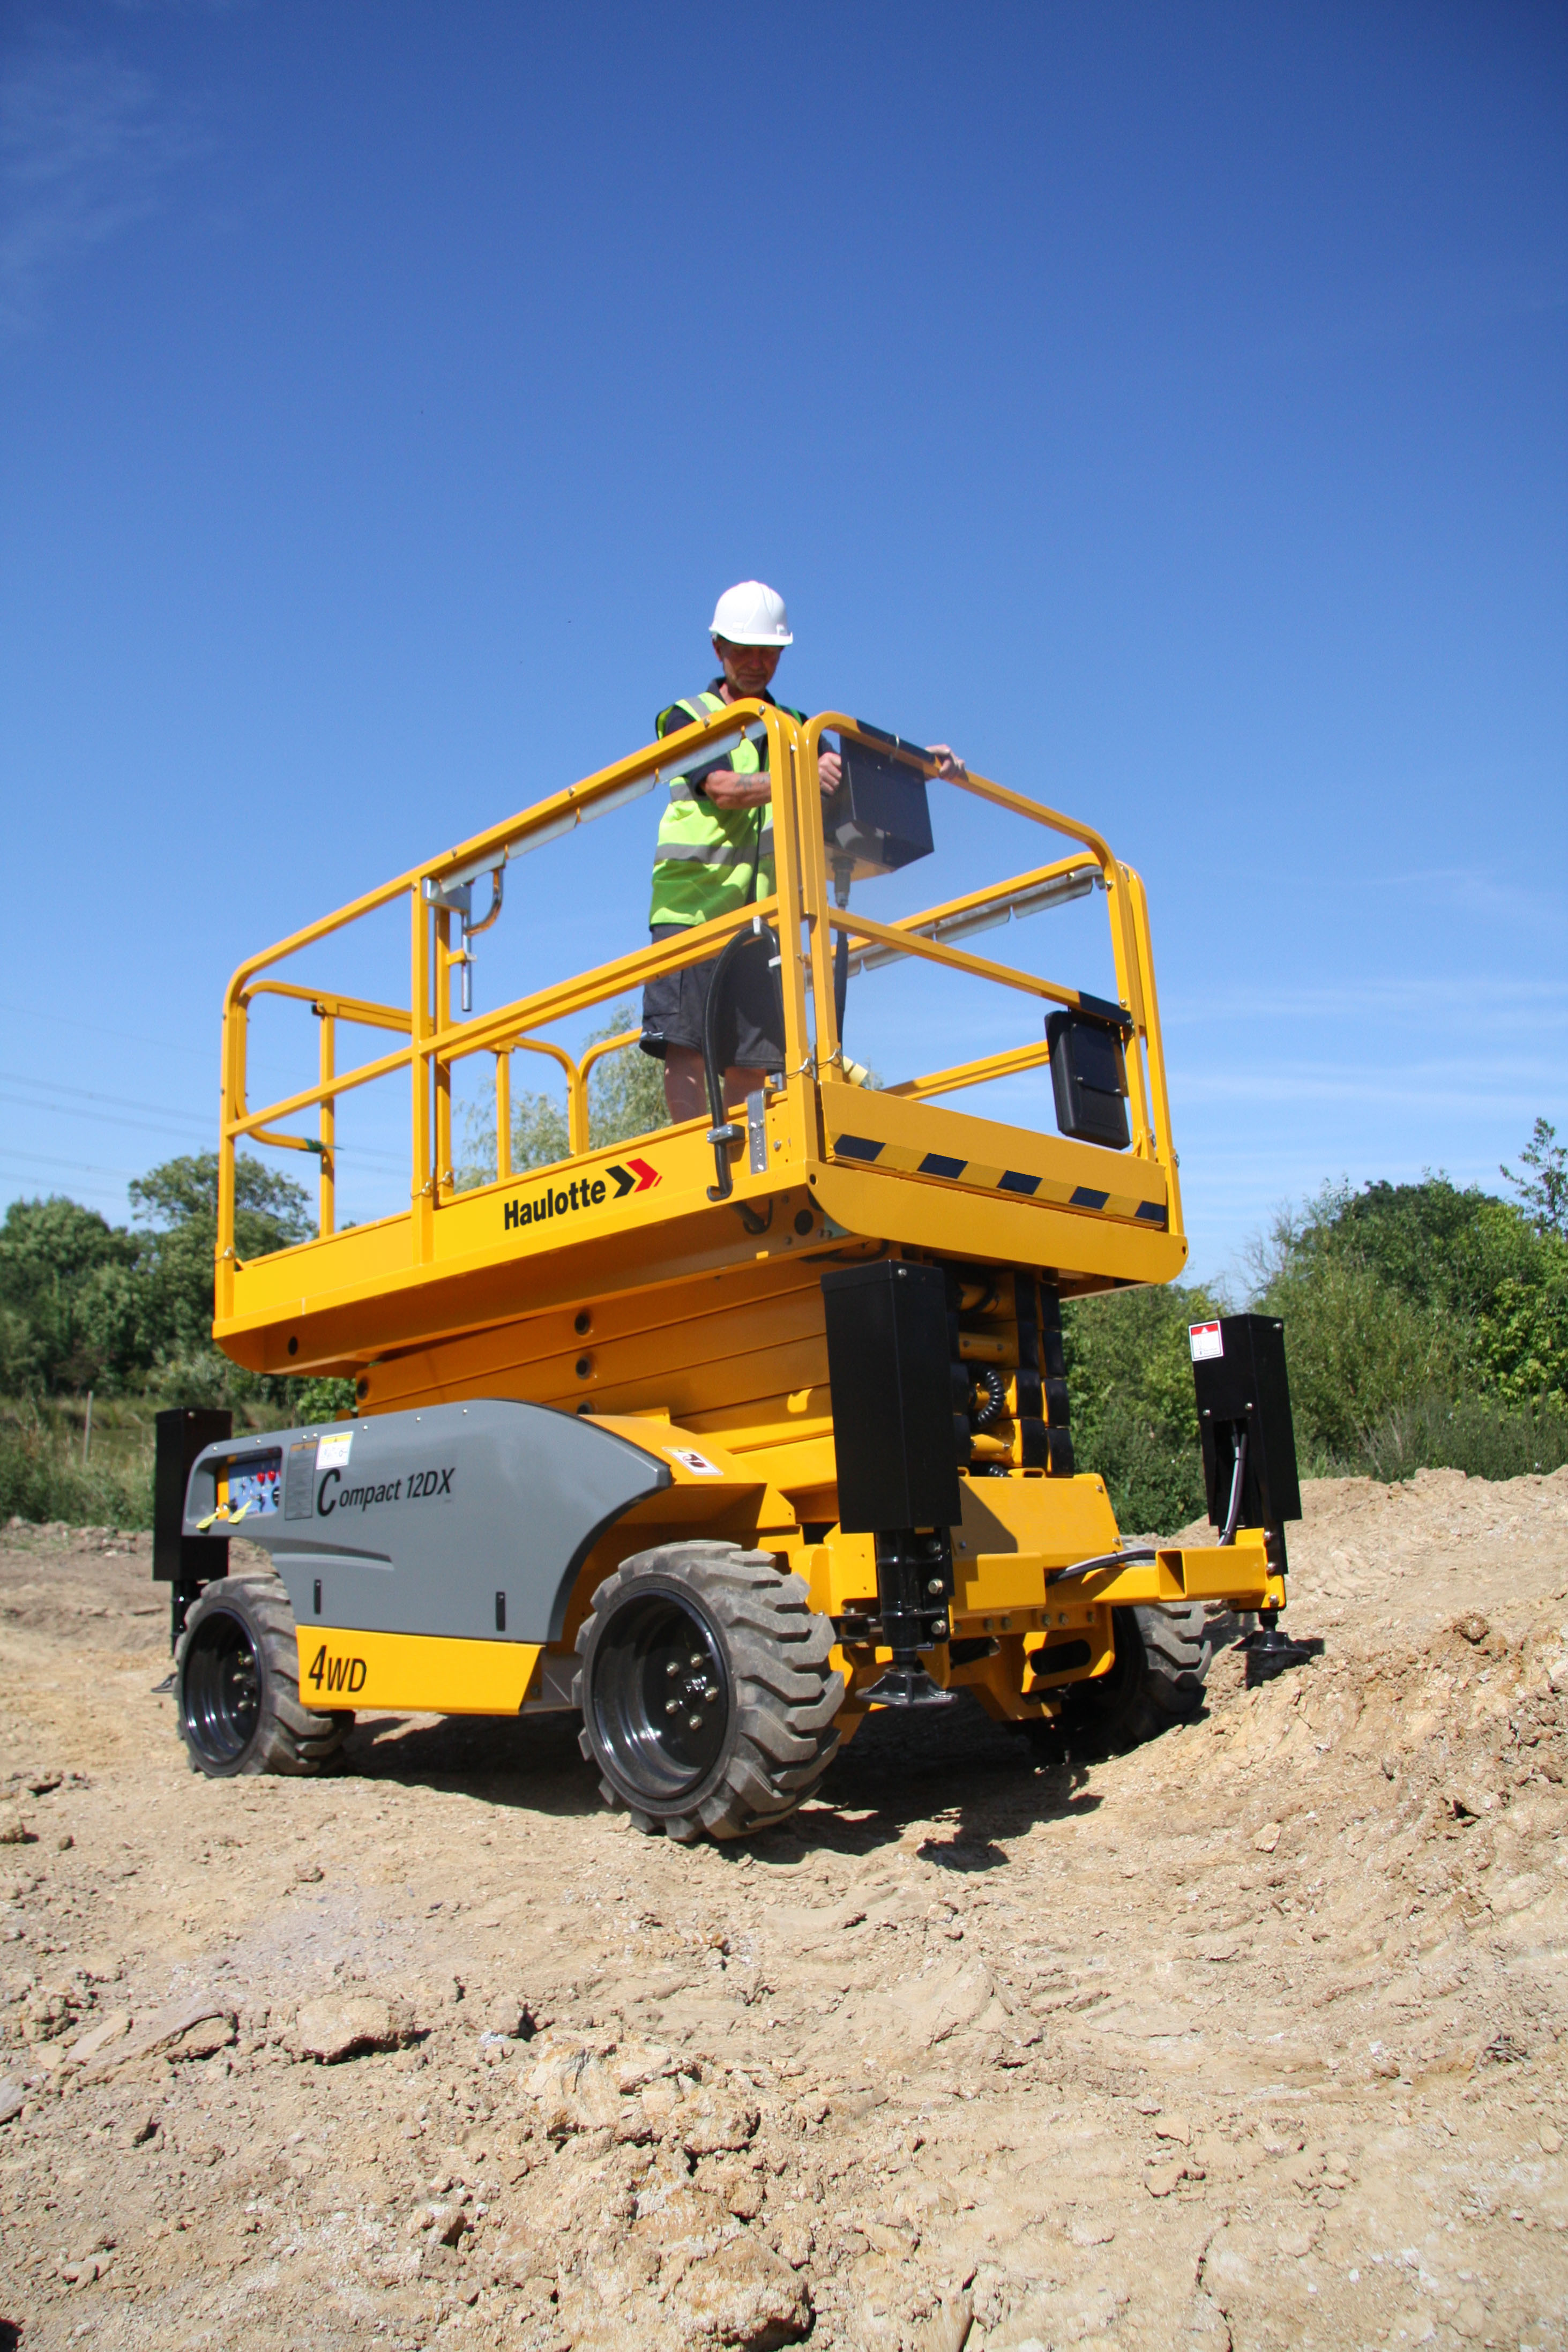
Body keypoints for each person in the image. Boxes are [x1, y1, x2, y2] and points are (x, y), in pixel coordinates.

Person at [640, 580, 965, 1121]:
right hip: (691, 911)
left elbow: (851, 784)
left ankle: (750, 1157)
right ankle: (693, 1156)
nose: (756, 663)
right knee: (686, 1045)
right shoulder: (687, 716)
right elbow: (721, 788)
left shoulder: (797, 728)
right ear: (718, 649)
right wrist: (800, 775)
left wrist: (921, 766)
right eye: (744, 650)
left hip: (766, 919)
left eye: (768, 652)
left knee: (753, 1058)